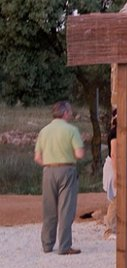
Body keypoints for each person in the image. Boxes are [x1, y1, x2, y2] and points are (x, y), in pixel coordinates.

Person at [34, 101, 85, 255]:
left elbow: (37, 157)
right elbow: (79, 154)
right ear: (65, 113)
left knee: (49, 209)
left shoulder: (44, 131)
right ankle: (64, 246)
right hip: (67, 169)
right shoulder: (71, 130)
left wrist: (48, 164)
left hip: (48, 170)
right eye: (69, 111)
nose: (71, 114)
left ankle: (47, 245)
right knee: (66, 209)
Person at [102, 109, 127, 240]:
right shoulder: (115, 133)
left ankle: (120, 227)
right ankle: (110, 230)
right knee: (117, 199)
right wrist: (116, 174)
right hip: (116, 168)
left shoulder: (123, 133)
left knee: (124, 198)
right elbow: (115, 154)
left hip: (123, 167)